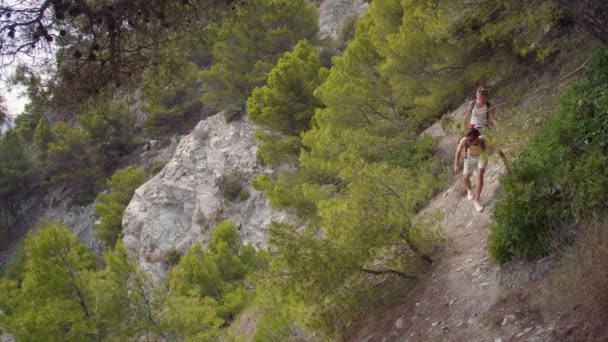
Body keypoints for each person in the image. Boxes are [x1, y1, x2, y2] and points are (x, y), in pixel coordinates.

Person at [454, 128, 490, 213]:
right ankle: (469, 190)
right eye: (468, 140)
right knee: (466, 178)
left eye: (471, 140)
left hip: (482, 156)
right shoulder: (465, 140)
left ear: (477, 137)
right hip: (469, 157)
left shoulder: (484, 140)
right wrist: (456, 165)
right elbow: (458, 152)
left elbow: (495, 148)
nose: (468, 142)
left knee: (480, 175)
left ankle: (476, 200)